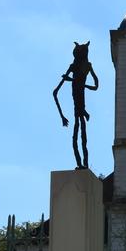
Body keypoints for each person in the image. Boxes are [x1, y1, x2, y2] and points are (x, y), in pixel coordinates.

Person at [52, 41, 99, 169]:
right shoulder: (73, 66)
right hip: (77, 105)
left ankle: (84, 165)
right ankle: (81, 164)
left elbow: (96, 86)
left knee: (81, 135)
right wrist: (62, 116)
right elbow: (55, 92)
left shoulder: (87, 66)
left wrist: (79, 83)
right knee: (78, 134)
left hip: (80, 103)